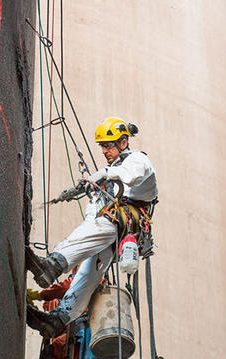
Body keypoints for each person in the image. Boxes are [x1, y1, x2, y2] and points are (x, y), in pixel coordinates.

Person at [26, 116, 158, 339]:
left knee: (105, 223)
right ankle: (58, 320)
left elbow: (132, 177)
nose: (105, 151)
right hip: (112, 229)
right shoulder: (112, 174)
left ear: (123, 143)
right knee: (89, 271)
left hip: (125, 222)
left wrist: (105, 174)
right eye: (103, 147)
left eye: (108, 146)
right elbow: (93, 215)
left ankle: (52, 265)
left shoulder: (138, 160)